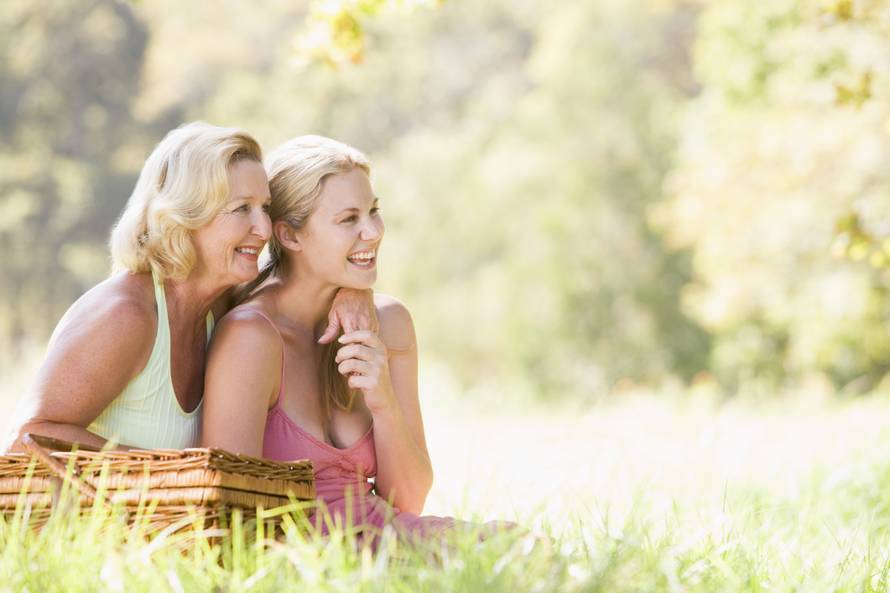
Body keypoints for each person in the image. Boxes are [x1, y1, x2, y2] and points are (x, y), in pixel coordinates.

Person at [3, 123, 372, 453]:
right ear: (184, 216)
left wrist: (354, 292)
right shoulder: (126, 315)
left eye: (265, 207)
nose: (263, 228)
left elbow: (299, 285)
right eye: (241, 209)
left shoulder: (222, 304)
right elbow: (27, 437)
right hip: (90, 528)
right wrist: (168, 474)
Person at [202, 135, 468, 543]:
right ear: (290, 236)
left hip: (388, 537)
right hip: (305, 559)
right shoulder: (252, 337)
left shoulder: (388, 322)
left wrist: (383, 403)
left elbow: (409, 499)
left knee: (522, 548)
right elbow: (231, 514)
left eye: (374, 212)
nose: (374, 232)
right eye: (349, 219)